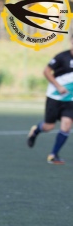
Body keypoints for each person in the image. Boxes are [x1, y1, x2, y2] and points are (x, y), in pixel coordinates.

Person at [27, 35, 73, 164]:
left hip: (70, 99)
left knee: (66, 125)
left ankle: (53, 155)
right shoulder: (62, 57)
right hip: (55, 96)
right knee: (49, 127)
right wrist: (58, 86)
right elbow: (46, 71)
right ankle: (36, 131)